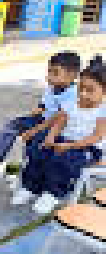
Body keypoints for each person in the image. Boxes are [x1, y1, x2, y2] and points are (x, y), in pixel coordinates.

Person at [15, 57, 106, 215]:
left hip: (87, 147)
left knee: (63, 157)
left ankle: (53, 193)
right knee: (39, 148)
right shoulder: (72, 104)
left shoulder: (102, 111)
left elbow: (96, 137)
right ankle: (30, 187)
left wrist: (69, 145)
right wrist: (50, 137)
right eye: (81, 88)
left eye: (90, 90)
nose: (83, 94)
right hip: (63, 139)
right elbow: (59, 123)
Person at [0, 51, 80, 168]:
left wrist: (33, 130)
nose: (49, 76)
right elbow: (42, 106)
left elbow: (58, 118)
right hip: (43, 120)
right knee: (13, 125)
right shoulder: (52, 88)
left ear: (72, 75)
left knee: (36, 140)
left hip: (58, 126)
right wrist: (30, 118)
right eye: (49, 71)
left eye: (55, 73)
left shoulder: (73, 94)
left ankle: (31, 167)